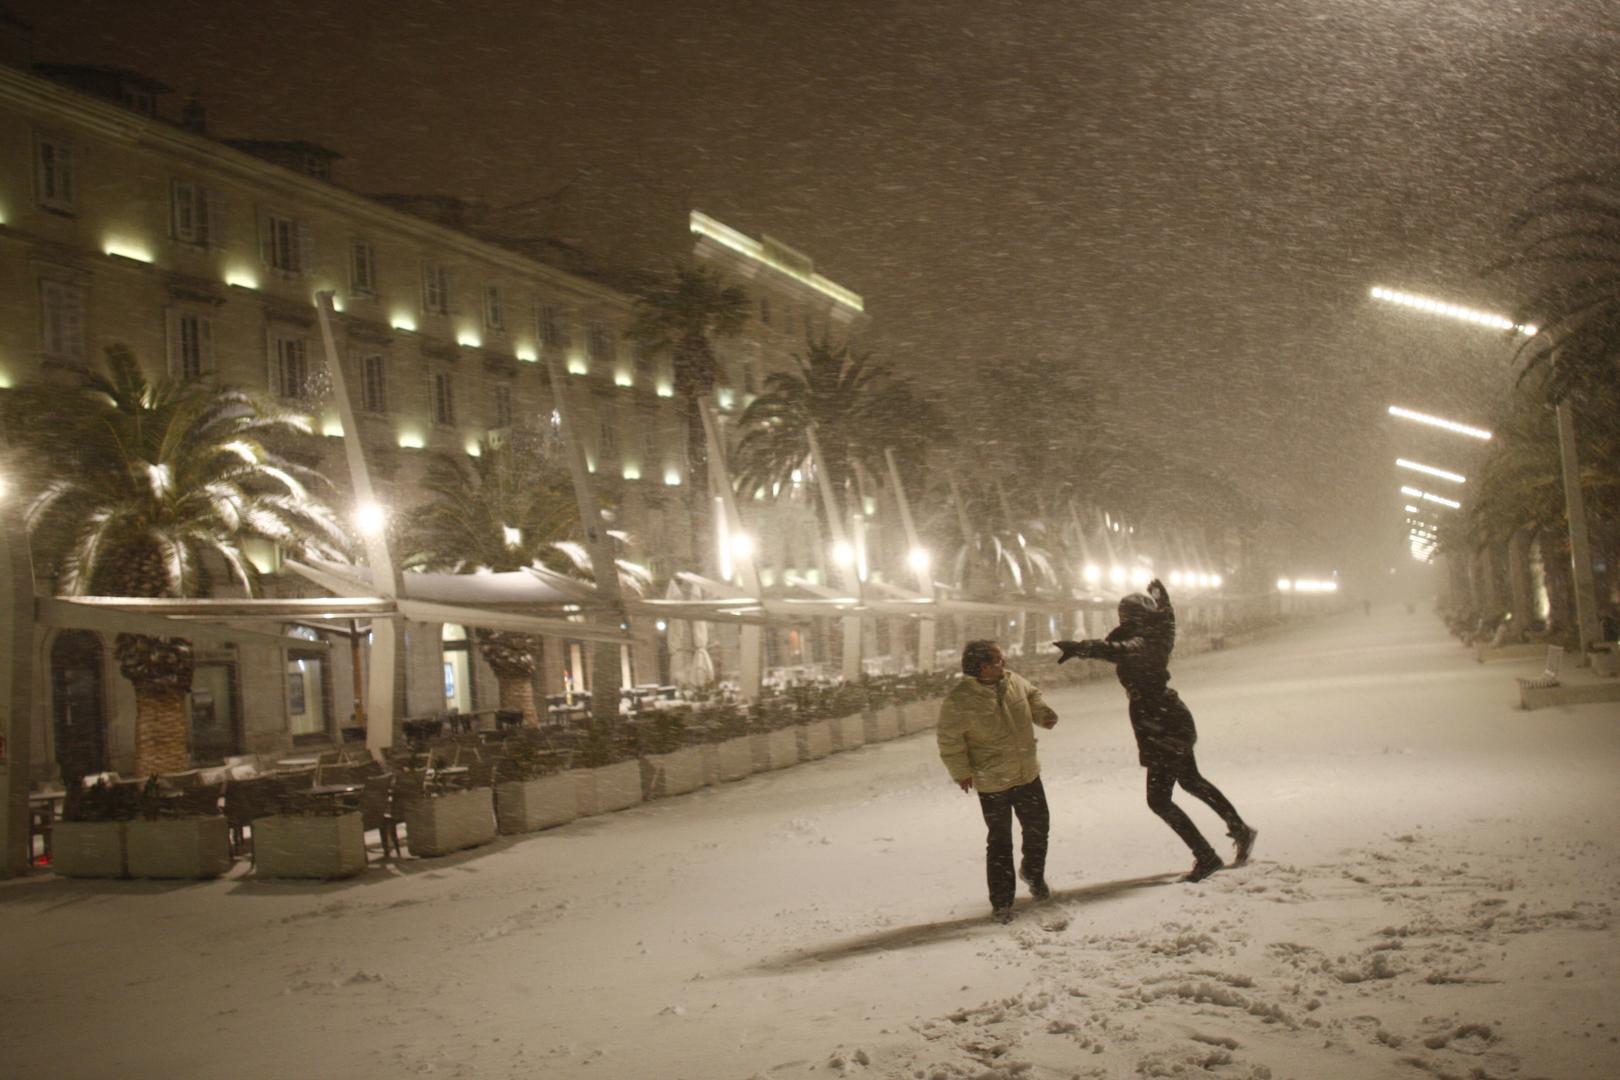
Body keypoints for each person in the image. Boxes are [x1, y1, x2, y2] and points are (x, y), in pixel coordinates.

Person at [1054, 578, 1256, 882]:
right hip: (1167, 716)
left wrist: (1084, 648)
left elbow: (1120, 650)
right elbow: (1163, 621)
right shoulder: (1160, 633)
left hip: (1159, 721)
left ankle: (1206, 855)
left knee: (1159, 800)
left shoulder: (1144, 641)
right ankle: (1238, 830)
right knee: (1191, 781)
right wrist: (1163, 599)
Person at [937, 639, 1059, 924]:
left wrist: (1042, 713)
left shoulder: (1013, 681)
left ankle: (1033, 872)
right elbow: (949, 740)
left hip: (1027, 773)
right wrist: (961, 771)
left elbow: (1032, 696)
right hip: (993, 782)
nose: (1004, 663)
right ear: (983, 667)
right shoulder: (960, 700)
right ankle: (1002, 901)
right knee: (1000, 841)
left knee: (1038, 828)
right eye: (998, 660)